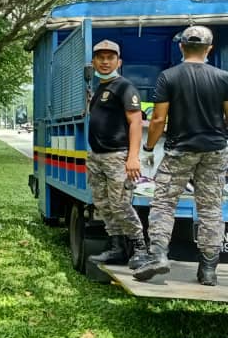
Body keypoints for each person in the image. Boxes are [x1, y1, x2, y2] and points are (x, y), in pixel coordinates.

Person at [133, 26, 228, 285]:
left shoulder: (169, 77)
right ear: (209, 49)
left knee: (164, 203)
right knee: (210, 209)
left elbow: (158, 119)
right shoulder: (223, 77)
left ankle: (159, 256)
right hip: (215, 150)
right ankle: (208, 270)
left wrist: (150, 147)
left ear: (181, 47)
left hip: (179, 149)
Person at [84, 40, 148, 269]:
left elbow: (136, 122)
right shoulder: (100, 87)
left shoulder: (124, 87)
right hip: (97, 157)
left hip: (117, 157)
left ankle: (140, 248)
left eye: (110, 58)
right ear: (93, 61)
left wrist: (133, 157)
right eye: (100, 57)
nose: (104, 61)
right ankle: (117, 248)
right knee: (104, 204)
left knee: (120, 204)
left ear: (118, 62)